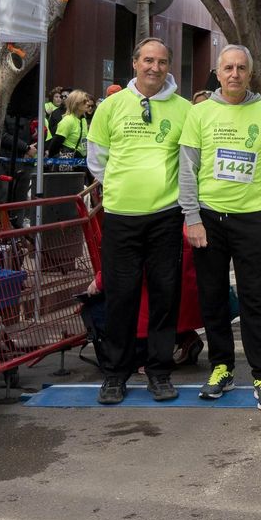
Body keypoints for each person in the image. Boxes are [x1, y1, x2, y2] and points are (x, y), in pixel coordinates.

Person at [179, 45, 261, 410]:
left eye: (242, 68)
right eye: (228, 68)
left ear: (250, 72)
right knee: (212, 297)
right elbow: (188, 170)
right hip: (208, 218)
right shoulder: (199, 113)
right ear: (218, 71)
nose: (235, 74)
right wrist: (192, 217)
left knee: (254, 298)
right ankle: (222, 368)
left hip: (249, 219)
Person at [86, 37, 191, 405]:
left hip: (166, 217)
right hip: (120, 218)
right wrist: (120, 187)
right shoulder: (111, 107)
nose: (154, 68)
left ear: (168, 66)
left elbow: (190, 163)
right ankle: (116, 374)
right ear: (134, 63)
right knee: (120, 297)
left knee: (164, 297)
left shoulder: (183, 109)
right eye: (148, 60)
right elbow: (97, 160)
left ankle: (159, 371)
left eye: (162, 62)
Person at [50, 90, 93, 158]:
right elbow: (55, 144)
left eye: (87, 101)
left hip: (80, 160)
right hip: (68, 162)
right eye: (85, 101)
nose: (88, 103)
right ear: (77, 104)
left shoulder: (83, 119)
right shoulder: (68, 120)